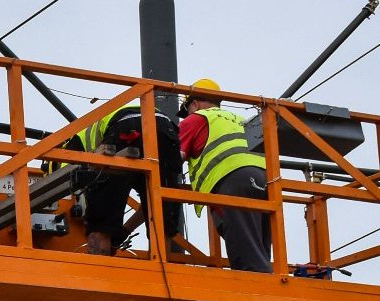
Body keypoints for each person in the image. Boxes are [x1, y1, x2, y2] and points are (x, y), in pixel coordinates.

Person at [58, 105, 183, 256]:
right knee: (160, 205)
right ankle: (159, 265)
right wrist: (125, 230)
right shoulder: (94, 126)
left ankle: (100, 266)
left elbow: (69, 176)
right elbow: (147, 205)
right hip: (165, 129)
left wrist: (94, 213)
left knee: (101, 218)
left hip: (128, 126)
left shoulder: (71, 147)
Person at [178, 79, 272, 272]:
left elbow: (171, 157)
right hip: (266, 180)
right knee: (258, 246)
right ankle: (266, 284)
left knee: (244, 247)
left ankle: (255, 288)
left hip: (232, 180)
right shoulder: (240, 120)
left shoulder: (197, 118)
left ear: (194, 104)